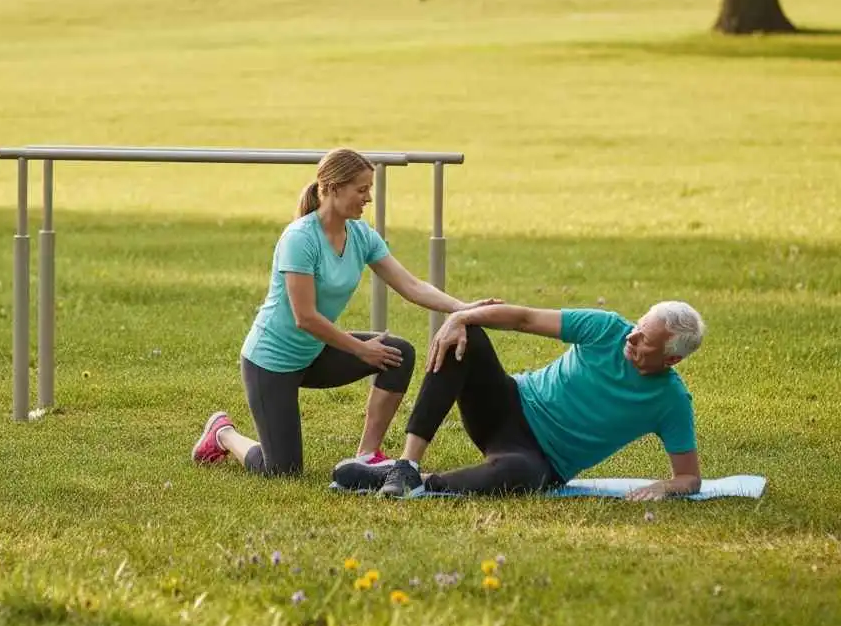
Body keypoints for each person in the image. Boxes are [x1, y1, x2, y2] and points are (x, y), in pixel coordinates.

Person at [191, 147, 491, 477]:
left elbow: (411, 286)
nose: (368, 198)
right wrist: (362, 349)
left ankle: (366, 455)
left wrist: (462, 308)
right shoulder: (300, 238)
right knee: (282, 471)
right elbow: (304, 317)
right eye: (361, 190)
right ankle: (223, 433)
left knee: (397, 354)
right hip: (271, 363)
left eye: (369, 189)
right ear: (333, 188)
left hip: (314, 354)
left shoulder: (361, 235)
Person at [332, 300, 706, 501]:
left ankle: (422, 483)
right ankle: (406, 465)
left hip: (538, 458)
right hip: (507, 406)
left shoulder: (670, 400)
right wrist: (461, 316)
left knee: (523, 477)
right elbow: (524, 318)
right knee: (467, 337)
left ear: (672, 359)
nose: (632, 339)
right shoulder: (607, 328)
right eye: (637, 328)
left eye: (644, 342)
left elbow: (689, 476)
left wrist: (666, 487)